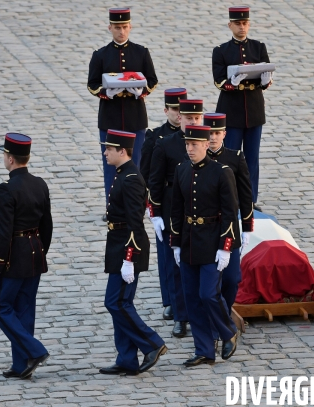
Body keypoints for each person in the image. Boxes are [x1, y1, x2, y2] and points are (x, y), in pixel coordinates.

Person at [170, 125, 240, 367]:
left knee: (208, 294)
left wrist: (226, 246)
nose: (189, 149)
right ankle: (204, 350)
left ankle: (228, 330)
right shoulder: (181, 170)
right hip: (189, 241)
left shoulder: (222, 172)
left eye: (194, 145)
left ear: (205, 145)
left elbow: (231, 213)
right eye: (187, 144)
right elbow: (176, 210)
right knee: (192, 298)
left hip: (213, 241)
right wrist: (175, 244)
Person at [98, 129, 167, 376]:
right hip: (118, 245)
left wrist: (129, 258)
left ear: (122, 151)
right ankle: (127, 358)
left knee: (117, 302)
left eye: (109, 149)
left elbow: (135, 223)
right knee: (119, 302)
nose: (105, 152)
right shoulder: (122, 174)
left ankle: (152, 344)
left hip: (128, 248)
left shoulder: (131, 179)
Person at [0, 133, 53, 379]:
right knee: (25, 309)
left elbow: (3, 232)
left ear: (11, 158)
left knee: (0, 305)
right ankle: (21, 364)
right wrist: (40, 252)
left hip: (13, 256)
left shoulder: (6, 189)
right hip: (35, 253)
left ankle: (34, 351)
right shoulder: (40, 183)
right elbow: (47, 226)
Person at [87, 8, 158, 216]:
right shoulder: (101, 55)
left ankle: (135, 206)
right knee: (111, 166)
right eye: (117, 27)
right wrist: (107, 92)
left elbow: (152, 80)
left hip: (135, 116)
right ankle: (113, 207)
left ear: (130, 26)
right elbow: (92, 84)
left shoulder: (141, 52)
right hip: (110, 118)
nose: (121, 31)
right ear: (110, 28)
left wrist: (141, 91)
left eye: (125, 27)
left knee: (136, 164)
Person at [148, 99, 204, 338]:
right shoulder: (166, 145)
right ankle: (181, 317)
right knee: (176, 266)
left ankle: (200, 313)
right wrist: (156, 214)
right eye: (189, 118)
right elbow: (154, 181)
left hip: (202, 210)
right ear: (179, 118)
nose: (193, 122)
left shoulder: (205, 143)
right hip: (174, 210)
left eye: (197, 118)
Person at [212, 6, 273, 209]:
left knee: (251, 159)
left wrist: (265, 80)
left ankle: (250, 199)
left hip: (254, 111)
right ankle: (229, 198)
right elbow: (218, 80)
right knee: (229, 157)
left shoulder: (258, 47)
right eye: (238, 23)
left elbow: (266, 76)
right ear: (230, 25)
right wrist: (232, 82)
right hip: (232, 111)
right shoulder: (221, 51)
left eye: (245, 23)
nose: (242, 27)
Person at [140, 88, 187, 320]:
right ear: (166, 110)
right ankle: (169, 299)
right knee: (167, 255)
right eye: (175, 110)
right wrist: (152, 208)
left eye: (183, 110)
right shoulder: (155, 137)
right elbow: (146, 174)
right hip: (166, 201)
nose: (179, 114)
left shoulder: (196, 137)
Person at [206, 112, 253, 311]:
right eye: (209, 133)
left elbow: (245, 195)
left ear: (224, 134)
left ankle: (224, 310)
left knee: (232, 278)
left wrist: (248, 227)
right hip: (205, 227)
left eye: (217, 133)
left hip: (229, 227)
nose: (213, 137)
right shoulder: (194, 159)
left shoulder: (235, 158)